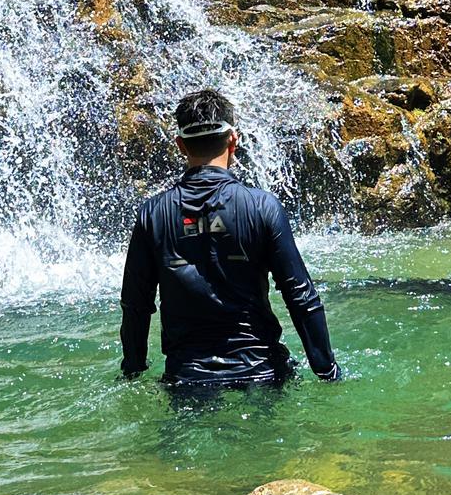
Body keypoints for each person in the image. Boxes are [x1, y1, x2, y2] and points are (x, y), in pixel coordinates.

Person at [119, 88, 341, 386]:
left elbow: (135, 303)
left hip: (187, 377)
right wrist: (327, 371)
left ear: (180, 145)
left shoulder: (153, 214)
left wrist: (132, 371)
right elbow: (300, 296)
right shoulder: (262, 206)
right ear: (233, 140)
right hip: (262, 372)